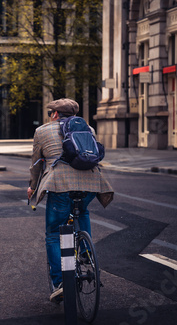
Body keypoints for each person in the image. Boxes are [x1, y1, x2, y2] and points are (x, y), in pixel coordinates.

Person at [27, 98, 113, 302]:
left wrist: (32, 186)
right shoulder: (88, 129)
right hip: (91, 183)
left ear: (55, 114)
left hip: (60, 184)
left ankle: (59, 283)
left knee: (53, 233)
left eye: (51, 113)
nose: (50, 116)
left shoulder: (42, 131)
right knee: (82, 211)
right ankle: (86, 255)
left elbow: (37, 164)